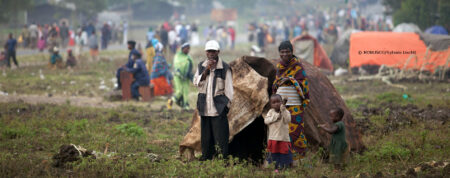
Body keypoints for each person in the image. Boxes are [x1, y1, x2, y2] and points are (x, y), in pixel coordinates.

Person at [193, 40, 233, 160]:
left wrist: (226, 107)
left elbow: (229, 90)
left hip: (218, 108)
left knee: (220, 136)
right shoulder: (201, 66)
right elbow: (196, 82)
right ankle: (206, 158)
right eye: (209, 51)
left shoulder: (225, 68)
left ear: (218, 52)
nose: (211, 54)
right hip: (205, 108)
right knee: (206, 136)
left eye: (213, 51)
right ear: (206, 52)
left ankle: (222, 159)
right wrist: (206, 71)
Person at [272, 41, 310, 164]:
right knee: (281, 130)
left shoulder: (298, 66)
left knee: (297, 131)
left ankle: (299, 161)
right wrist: (279, 82)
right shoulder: (279, 67)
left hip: (295, 105)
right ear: (279, 53)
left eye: (287, 51)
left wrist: (291, 80)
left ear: (292, 51)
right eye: (282, 52)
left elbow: (304, 83)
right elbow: (276, 83)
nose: (285, 54)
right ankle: (284, 160)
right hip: (282, 106)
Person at [264, 94, 292, 169]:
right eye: (274, 102)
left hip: (283, 138)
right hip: (273, 138)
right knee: (274, 155)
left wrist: (283, 111)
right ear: (271, 104)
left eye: (278, 102)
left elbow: (288, 120)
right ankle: (275, 168)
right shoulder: (271, 112)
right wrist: (276, 116)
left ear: (281, 102)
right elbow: (266, 121)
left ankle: (284, 168)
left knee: (284, 154)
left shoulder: (286, 111)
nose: (276, 104)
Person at [169, 43, 193, 110]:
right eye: (186, 48)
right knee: (179, 91)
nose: (187, 50)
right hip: (177, 76)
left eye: (189, 49)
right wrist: (179, 74)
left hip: (186, 77)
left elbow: (190, 67)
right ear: (182, 49)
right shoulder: (177, 56)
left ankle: (186, 106)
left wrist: (190, 77)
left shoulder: (188, 57)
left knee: (185, 91)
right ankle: (171, 100)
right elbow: (176, 67)